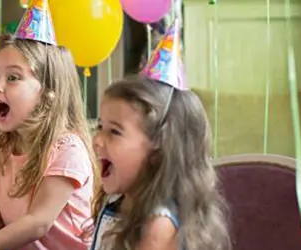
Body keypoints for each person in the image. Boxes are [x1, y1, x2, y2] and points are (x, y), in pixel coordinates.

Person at [0, 0, 97, 249]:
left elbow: (38, 222)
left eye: (13, 77)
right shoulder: (3, 146)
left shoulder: (67, 149)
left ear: (48, 90)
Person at [89, 19, 229, 250]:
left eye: (114, 131)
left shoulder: (158, 225)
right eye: (99, 127)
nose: (97, 139)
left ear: (159, 147)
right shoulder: (120, 202)